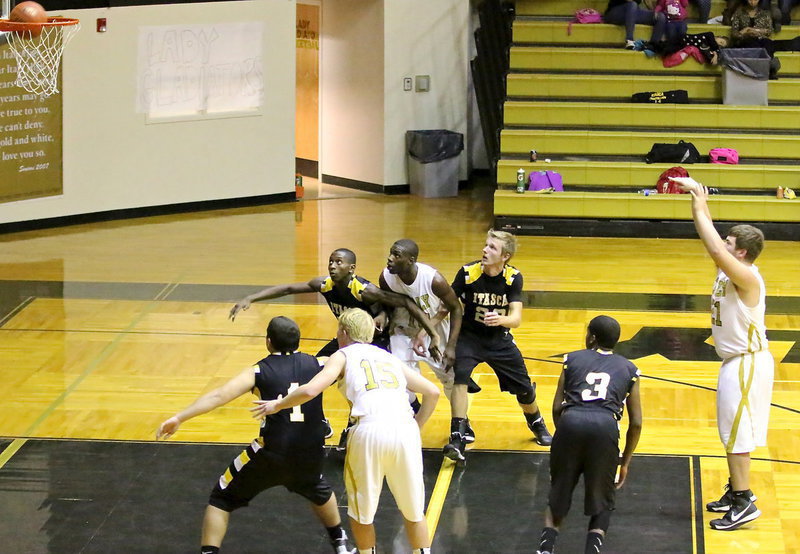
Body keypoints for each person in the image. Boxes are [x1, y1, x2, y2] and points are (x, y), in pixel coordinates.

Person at [155, 316, 355, 554]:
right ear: (299, 341)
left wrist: (180, 417)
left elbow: (219, 396)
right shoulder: (318, 364)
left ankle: (209, 551)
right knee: (318, 488)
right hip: (309, 451)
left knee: (221, 498)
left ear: (268, 342)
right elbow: (352, 361)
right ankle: (340, 542)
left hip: (272, 452)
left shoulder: (259, 370)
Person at [252, 308, 440, 554]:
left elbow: (310, 390)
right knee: (414, 511)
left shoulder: (341, 355)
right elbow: (432, 393)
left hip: (369, 430)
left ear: (343, 332)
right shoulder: (389, 357)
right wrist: (417, 426)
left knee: (362, 513)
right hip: (405, 430)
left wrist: (277, 404)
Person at [671, 176, 774, 531]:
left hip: (748, 361)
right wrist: (699, 201)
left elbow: (715, 249)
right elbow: (714, 245)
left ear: (741, 253)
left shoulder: (747, 277)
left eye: (730, 243)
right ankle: (736, 490)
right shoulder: (728, 268)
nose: (722, 245)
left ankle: (744, 501)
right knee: (730, 430)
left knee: (737, 434)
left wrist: (699, 204)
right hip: (735, 361)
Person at [535, 316, 643, 554]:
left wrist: (564, 434)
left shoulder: (571, 359)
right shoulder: (629, 368)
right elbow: (636, 423)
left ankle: (544, 550)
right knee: (602, 499)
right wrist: (624, 461)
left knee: (558, 494)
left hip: (570, 422)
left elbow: (556, 407)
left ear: (592, 337)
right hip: (605, 428)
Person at [443, 230, 552, 464]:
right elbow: (449, 305)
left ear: (506, 256)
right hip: (470, 338)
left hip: (499, 340)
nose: (485, 250)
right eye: (485, 245)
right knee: (459, 377)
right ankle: (457, 435)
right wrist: (427, 329)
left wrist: (500, 320)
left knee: (523, 388)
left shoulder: (513, 278)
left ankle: (536, 422)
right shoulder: (467, 273)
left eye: (492, 247)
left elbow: (516, 319)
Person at [229, 248, 441, 360]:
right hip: (346, 338)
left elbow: (403, 301)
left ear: (351, 268)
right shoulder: (325, 284)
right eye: (331, 261)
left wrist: (432, 333)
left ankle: (412, 410)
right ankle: (320, 421)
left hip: (374, 342)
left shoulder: (364, 291)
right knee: (317, 372)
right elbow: (288, 289)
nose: (332, 266)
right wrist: (251, 298)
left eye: (339, 262)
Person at [380, 239, 481, 443]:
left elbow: (456, 308)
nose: (390, 259)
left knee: (450, 380)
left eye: (396, 255)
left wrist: (451, 346)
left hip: (435, 331)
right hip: (404, 330)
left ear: (411, 260)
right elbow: (388, 302)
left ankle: (461, 422)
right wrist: (383, 314)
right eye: (390, 253)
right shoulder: (386, 278)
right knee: (400, 377)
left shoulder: (433, 279)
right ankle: (411, 414)